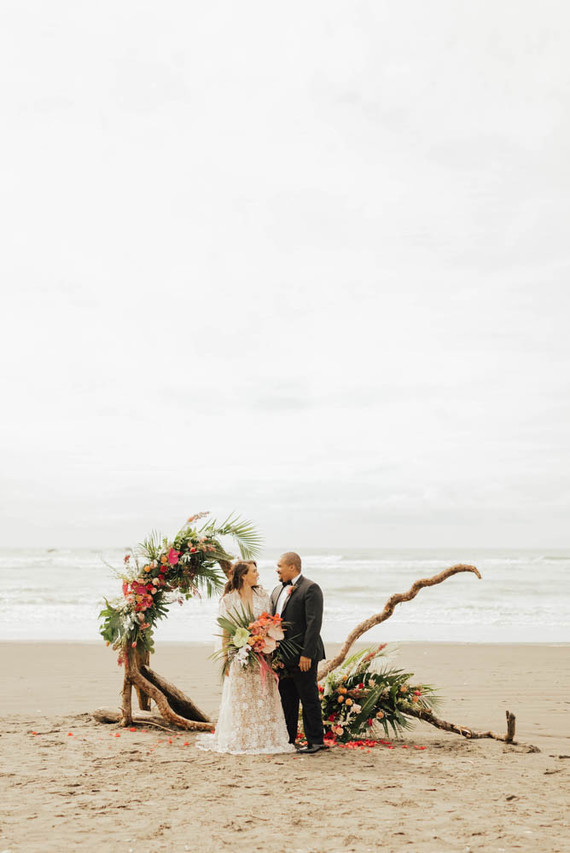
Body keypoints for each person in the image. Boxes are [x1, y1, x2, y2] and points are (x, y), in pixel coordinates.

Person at [195, 560, 294, 755]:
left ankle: (265, 737)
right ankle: (241, 737)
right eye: (254, 571)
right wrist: (226, 659)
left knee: (263, 695)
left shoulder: (262, 596)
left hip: (261, 655)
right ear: (243, 576)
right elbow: (225, 631)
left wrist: (265, 642)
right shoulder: (229, 600)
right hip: (239, 655)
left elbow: (269, 623)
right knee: (242, 697)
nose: (258, 574)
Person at [271, 552, 327, 754]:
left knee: (309, 696)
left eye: (280, 566)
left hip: (304, 655)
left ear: (292, 567)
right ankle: (289, 740)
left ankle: (316, 741)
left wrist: (307, 654)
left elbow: (314, 623)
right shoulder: (277, 590)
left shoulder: (310, 588)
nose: (277, 569)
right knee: (287, 699)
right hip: (283, 656)